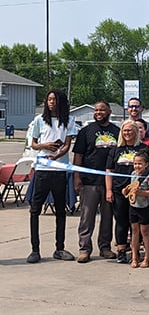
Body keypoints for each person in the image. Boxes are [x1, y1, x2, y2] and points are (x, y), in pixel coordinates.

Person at [27, 89, 78, 264]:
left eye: (54, 100)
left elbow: (67, 145)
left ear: (61, 102)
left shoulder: (69, 121)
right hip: (42, 170)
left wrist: (57, 155)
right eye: (49, 99)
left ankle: (59, 247)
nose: (51, 103)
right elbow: (33, 144)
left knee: (60, 210)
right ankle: (35, 249)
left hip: (59, 170)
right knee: (35, 210)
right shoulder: (39, 121)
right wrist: (44, 145)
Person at [73, 101, 119, 263]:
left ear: (109, 112)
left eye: (102, 110)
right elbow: (78, 155)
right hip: (89, 182)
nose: (99, 112)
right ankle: (84, 249)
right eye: (96, 110)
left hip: (110, 183)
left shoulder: (116, 131)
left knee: (107, 218)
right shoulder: (86, 131)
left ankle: (105, 247)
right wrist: (76, 177)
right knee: (87, 217)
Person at [106, 119, 148, 264]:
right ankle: (122, 251)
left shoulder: (144, 149)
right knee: (121, 221)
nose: (127, 133)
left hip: (139, 192)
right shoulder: (115, 150)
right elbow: (109, 171)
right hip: (119, 191)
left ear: (136, 131)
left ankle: (137, 252)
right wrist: (109, 190)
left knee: (137, 224)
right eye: (125, 130)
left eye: (130, 130)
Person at [127, 148, 149, 268]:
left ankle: (147, 257)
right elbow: (131, 188)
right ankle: (135, 257)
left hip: (144, 206)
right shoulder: (133, 174)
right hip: (133, 206)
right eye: (135, 163)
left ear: (146, 164)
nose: (137, 166)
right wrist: (127, 190)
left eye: (140, 163)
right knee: (134, 232)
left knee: (145, 232)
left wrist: (141, 192)